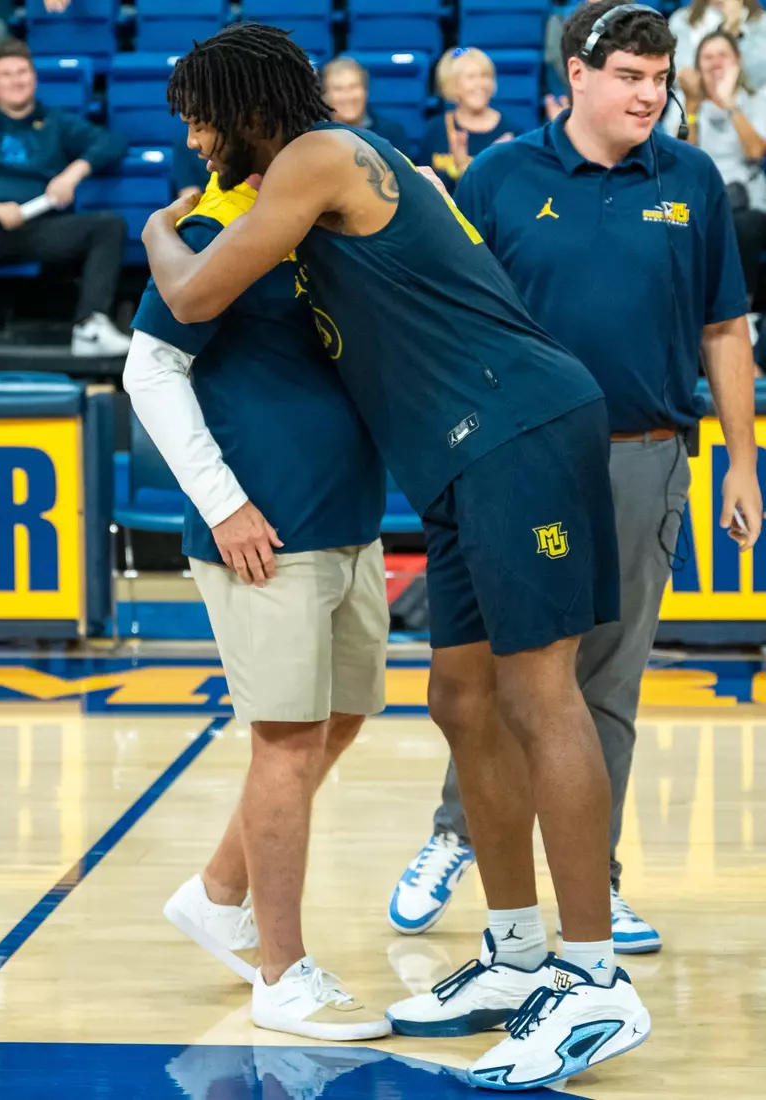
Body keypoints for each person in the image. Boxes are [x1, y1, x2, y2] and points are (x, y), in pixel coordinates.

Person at [142, 20, 656, 1091]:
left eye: (200, 115)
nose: (191, 140)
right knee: (463, 699)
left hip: (515, 425)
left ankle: (593, 972)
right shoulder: (337, 174)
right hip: (458, 455)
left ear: (244, 105)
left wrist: (155, 231)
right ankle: (515, 954)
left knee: (541, 694)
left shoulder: (314, 157)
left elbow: (190, 296)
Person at [388, 0, 763, 975]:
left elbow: (725, 329)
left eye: (660, 77)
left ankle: (596, 873)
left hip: (644, 454)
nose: (651, 94)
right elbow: (451, 316)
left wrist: (739, 458)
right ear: (578, 79)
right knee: (504, 679)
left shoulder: (691, 179)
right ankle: (454, 829)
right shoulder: (505, 175)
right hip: (517, 458)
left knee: (605, 682)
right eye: (632, 76)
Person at [125, 170, 391, 1043]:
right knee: (285, 737)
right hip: (265, 530)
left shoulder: (330, 221)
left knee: (344, 715)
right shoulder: (212, 233)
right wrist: (221, 502)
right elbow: (149, 369)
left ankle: (216, 894)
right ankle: (281, 974)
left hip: (350, 513)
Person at [0, 37, 130, 370]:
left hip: (37, 226)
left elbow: (112, 142)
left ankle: (90, 327)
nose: (16, 81)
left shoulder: (55, 122)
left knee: (110, 225)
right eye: (6, 75)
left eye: (22, 72)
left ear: (34, 78)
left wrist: (74, 172)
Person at [670, 31, 766, 344]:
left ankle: (745, 311)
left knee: (746, 224)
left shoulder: (757, 97)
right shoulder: (682, 102)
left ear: (737, 61)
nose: (715, 63)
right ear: (697, 64)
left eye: (722, 55)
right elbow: (682, 159)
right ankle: (691, 316)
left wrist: (729, 105)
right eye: (707, 57)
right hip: (700, 197)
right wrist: (694, 106)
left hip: (745, 201)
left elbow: (755, 151)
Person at [419, 47, 518, 193]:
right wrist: (456, 171)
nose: (480, 84)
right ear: (452, 84)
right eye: (471, 77)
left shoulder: (510, 133)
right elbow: (423, 191)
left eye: (485, 76)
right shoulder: (435, 130)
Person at [321, 56, 411, 155]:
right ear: (326, 96)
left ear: (365, 91)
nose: (348, 96)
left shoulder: (392, 133)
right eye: (338, 89)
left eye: (353, 87)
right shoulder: (313, 137)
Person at [671, 0, 766, 88]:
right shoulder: (682, 20)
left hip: (747, 103)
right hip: (693, 103)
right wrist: (725, 32)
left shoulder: (762, 23)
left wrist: (735, 34)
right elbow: (679, 76)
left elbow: (758, 78)